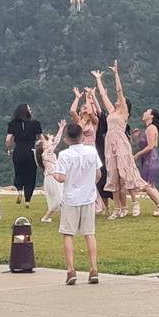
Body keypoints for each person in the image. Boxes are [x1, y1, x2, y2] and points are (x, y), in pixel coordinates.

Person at [92, 61, 159, 218]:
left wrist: (116, 74)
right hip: (110, 145)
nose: (117, 100)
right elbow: (103, 95)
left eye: (120, 100)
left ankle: (157, 204)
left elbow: (119, 91)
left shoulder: (123, 113)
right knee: (114, 177)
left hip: (121, 145)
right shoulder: (112, 111)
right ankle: (118, 209)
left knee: (132, 177)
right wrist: (98, 79)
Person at [53, 122, 102, 285]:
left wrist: (55, 174)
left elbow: (60, 177)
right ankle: (94, 269)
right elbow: (98, 175)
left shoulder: (64, 155)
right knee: (89, 233)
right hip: (88, 197)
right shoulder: (92, 151)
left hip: (70, 198)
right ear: (82, 136)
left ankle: (71, 270)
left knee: (68, 233)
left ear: (66, 139)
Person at [5, 104, 42, 206]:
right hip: (31, 151)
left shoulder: (12, 124)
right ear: (26, 111)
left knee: (19, 172)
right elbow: (40, 138)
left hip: (18, 151)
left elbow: (8, 139)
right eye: (30, 109)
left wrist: (9, 149)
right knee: (31, 175)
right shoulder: (35, 123)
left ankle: (19, 191)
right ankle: (27, 201)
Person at [37, 121, 67, 223]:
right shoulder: (46, 153)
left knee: (62, 197)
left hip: (52, 176)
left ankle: (65, 216)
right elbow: (56, 141)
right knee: (58, 199)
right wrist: (61, 129)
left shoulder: (47, 153)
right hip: (52, 177)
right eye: (45, 142)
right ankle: (45, 217)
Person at [133, 108, 159, 187]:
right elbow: (144, 144)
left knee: (149, 185)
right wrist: (138, 137)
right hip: (147, 159)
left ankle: (158, 199)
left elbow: (150, 146)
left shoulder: (151, 128)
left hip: (151, 159)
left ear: (151, 116)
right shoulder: (148, 129)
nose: (144, 113)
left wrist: (137, 154)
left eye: (147, 112)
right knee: (147, 185)